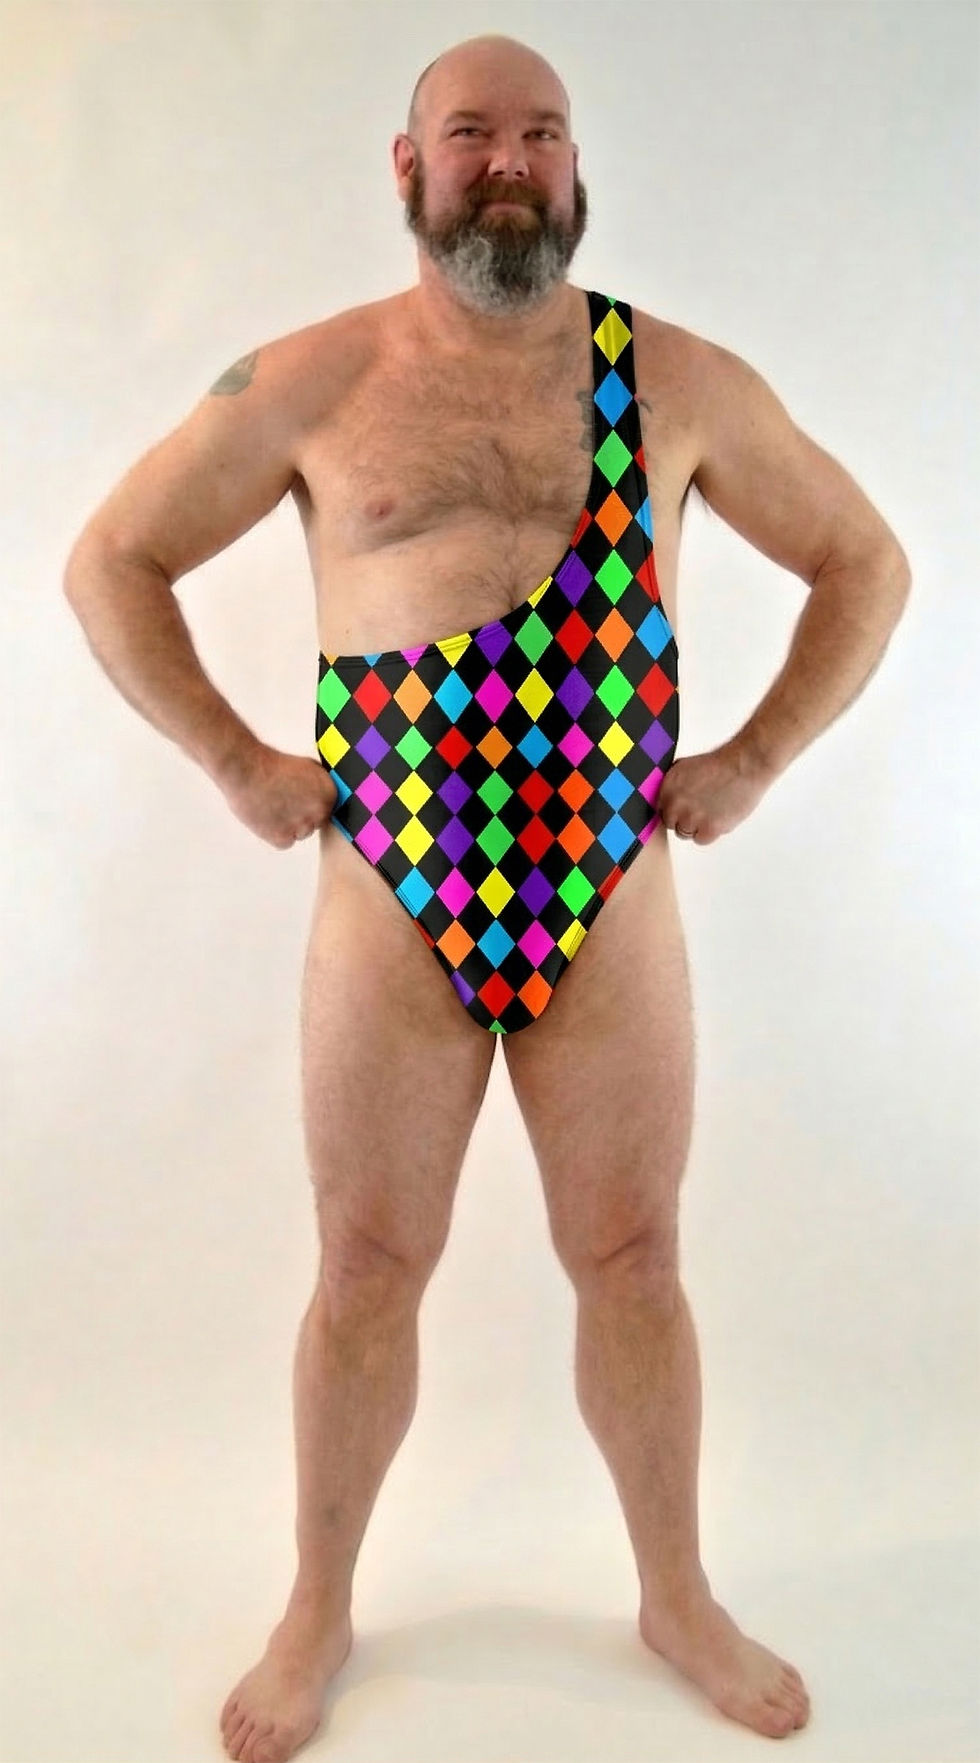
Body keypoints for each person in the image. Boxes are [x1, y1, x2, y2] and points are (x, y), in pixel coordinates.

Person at [63, 31, 911, 1763]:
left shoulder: (675, 379)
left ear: (577, 165)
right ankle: (317, 1608)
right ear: (408, 166)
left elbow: (865, 561)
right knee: (367, 1265)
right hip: (395, 885)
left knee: (636, 1256)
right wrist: (235, 762)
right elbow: (112, 559)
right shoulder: (315, 378)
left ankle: (676, 1594)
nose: (508, 163)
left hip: (610, 882)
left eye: (540, 133)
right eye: (471, 134)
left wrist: (753, 761)